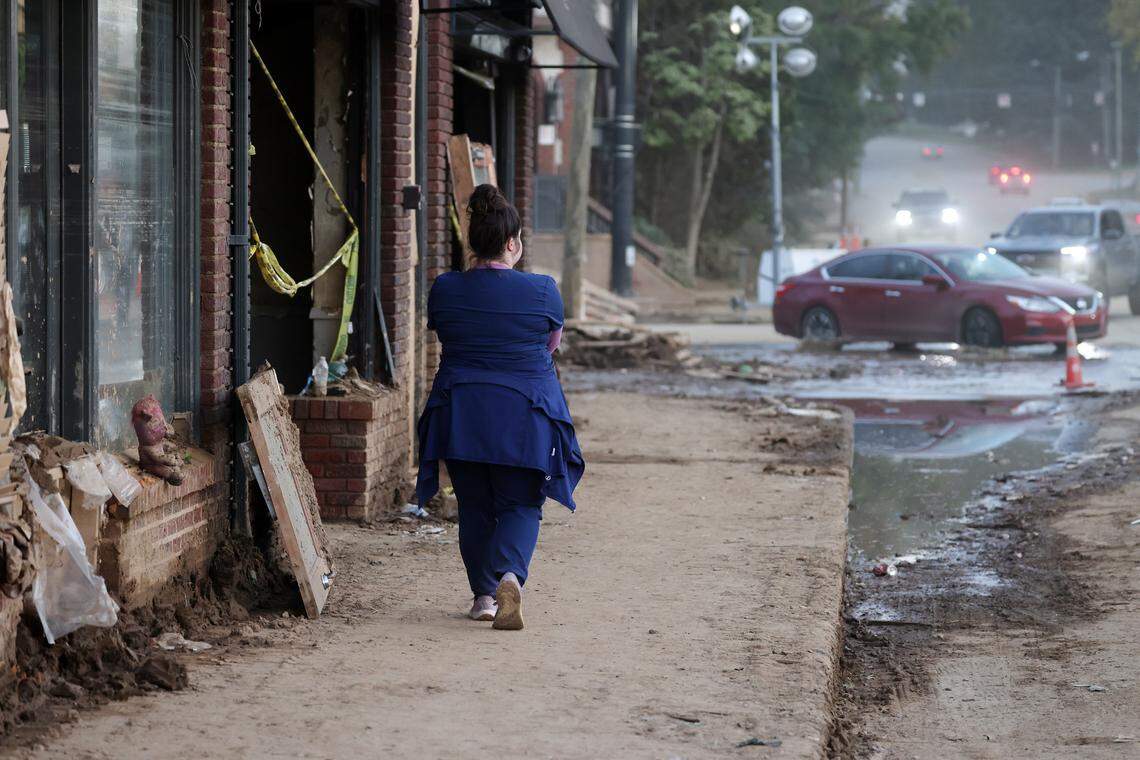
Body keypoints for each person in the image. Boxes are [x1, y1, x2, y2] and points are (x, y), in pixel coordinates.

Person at [415, 184, 584, 631]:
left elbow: (444, 335)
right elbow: (550, 348)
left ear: (474, 242)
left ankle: (484, 598)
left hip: (462, 414)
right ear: (512, 243)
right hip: (525, 418)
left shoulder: (446, 288)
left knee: (474, 506)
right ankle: (511, 576)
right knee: (521, 505)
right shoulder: (543, 290)